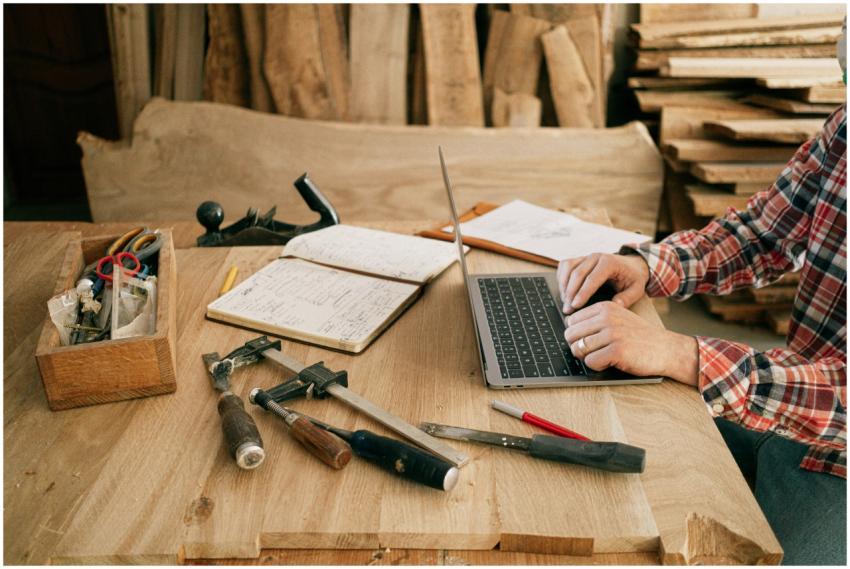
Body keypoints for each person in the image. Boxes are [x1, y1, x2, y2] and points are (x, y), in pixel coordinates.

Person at [555, 79, 846, 569]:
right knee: (585, 460)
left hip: (838, 468)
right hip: (786, 410)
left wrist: (683, 355)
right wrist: (650, 267)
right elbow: (760, 233)